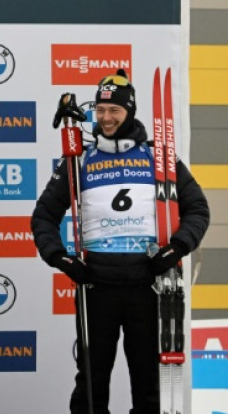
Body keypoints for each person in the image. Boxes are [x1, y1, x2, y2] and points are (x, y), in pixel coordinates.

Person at [31, 69, 209, 414]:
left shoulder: (158, 156)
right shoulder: (79, 160)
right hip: (97, 287)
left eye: (114, 111)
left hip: (150, 286)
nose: (106, 118)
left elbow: (197, 209)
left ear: (130, 111)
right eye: (100, 110)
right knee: (91, 384)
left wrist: (178, 246)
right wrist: (62, 259)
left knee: (148, 384)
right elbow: (43, 216)